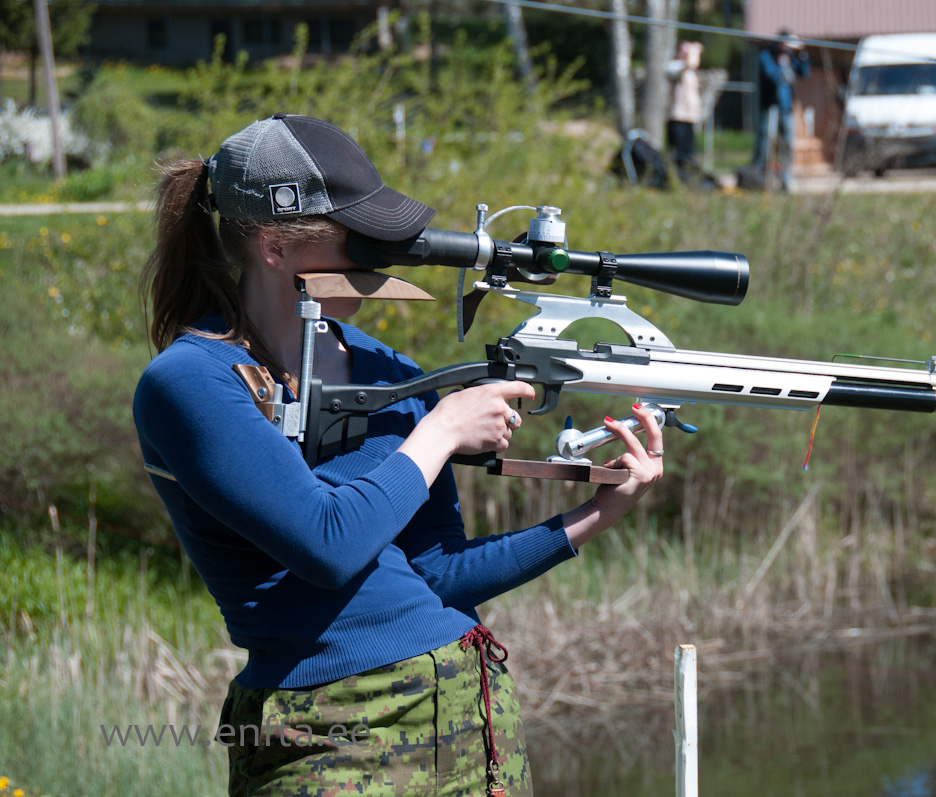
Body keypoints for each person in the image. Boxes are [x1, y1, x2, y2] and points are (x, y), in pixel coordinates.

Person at [132, 113, 664, 796]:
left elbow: (438, 574)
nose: (380, 256)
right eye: (358, 237)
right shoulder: (190, 382)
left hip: (467, 712)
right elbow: (326, 542)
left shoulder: (384, 368)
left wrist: (597, 513)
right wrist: (442, 430)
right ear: (273, 247)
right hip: (328, 734)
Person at [751, 30, 810, 191]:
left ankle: (786, 177)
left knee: (787, 143)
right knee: (766, 140)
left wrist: (802, 54)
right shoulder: (766, 55)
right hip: (770, 107)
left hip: (786, 108)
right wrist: (781, 64)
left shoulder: (791, 58)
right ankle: (759, 175)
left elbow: (804, 73)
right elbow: (772, 76)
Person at [667, 40, 705, 176]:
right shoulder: (673, 66)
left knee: (688, 152)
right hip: (677, 117)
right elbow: (689, 64)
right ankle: (676, 176)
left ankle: (687, 176)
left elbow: (693, 65)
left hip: (690, 117)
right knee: (678, 152)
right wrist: (694, 51)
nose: (686, 54)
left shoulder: (691, 73)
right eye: (684, 51)